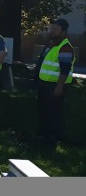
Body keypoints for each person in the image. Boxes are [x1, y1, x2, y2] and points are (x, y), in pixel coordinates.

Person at [34, 17, 76, 145]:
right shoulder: (52, 44)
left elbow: (65, 69)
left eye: (56, 29)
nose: (52, 31)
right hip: (45, 84)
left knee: (54, 113)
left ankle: (52, 138)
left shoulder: (65, 47)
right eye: (51, 28)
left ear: (64, 32)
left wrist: (59, 87)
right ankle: (43, 136)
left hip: (54, 86)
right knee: (45, 111)